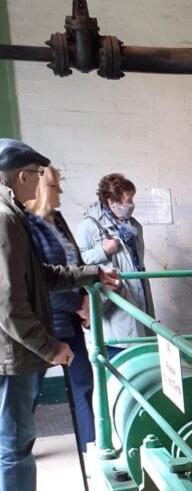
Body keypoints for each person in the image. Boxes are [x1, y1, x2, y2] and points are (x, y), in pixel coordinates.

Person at [0, 138, 120, 491]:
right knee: (15, 436)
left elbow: (42, 275)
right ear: (22, 175)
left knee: (20, 433)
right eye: (38, 174)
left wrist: (92, 274)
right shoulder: (4, 218)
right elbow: (8, 305)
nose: (41, 182)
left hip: (16, 348)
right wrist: (51, 347)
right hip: (11, 352)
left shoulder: (13, 214)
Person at [26, 166, 94, 449]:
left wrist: (86, 299)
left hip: (71, 318)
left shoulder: (58, 220)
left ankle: (91, 447)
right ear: (41, 189)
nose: (60, 191)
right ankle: (15, 452)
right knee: (29, 392)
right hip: (43, 322)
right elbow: (40, 280)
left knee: (83, 383)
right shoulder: (26, 226)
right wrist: (79, 304)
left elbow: (75, 265)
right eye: (55, 186)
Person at [75, 173, 154, 354]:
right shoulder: (89, 226)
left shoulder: (134, 226)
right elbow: (77, 264)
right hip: (114, 299)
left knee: (142, 345)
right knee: (120, 350)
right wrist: (103, 251)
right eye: (128, 200)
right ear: (111, 202)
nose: (132, 205)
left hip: (138, 293)